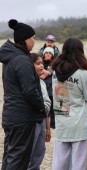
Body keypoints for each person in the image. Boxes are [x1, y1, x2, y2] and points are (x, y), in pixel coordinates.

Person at [0, 19, 45, 169]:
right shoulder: (21, 60)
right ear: (25, 39)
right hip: (22, 118)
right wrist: (41, 108)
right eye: (32, 37)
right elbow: (30, 90)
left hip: (12, 116)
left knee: (10, 158)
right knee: (18, 161)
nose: (34, 40)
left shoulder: (11, 58)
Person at [51, 38, 87, 170]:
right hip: (80, 121)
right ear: (80, 52)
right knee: (79, 163)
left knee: (60, 161)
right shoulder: (84, 74)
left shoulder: (55, 73)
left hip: (62, 118)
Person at [28, 53, 51, 170]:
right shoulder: (29, 83)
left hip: (42, 122)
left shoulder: (42, 82)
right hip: (32, 122)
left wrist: (47, 128)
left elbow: (45, 106)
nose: (42, 66)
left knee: (39, 154)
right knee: (29, 155)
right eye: (38, 64)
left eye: (42, 63)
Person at [40, 46, 56, 129]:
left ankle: (53, 124)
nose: (48, 54)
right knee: (45, 107)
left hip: (51, 89)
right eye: (46, 53)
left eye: (50, 53)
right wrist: (45, 72)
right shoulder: (40, 63)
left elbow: (54, 73)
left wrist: (47, 73)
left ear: (52, 55)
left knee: (53, 108)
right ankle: (46, 125)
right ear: (44, 54)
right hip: (42, 88)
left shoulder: (54, 63)